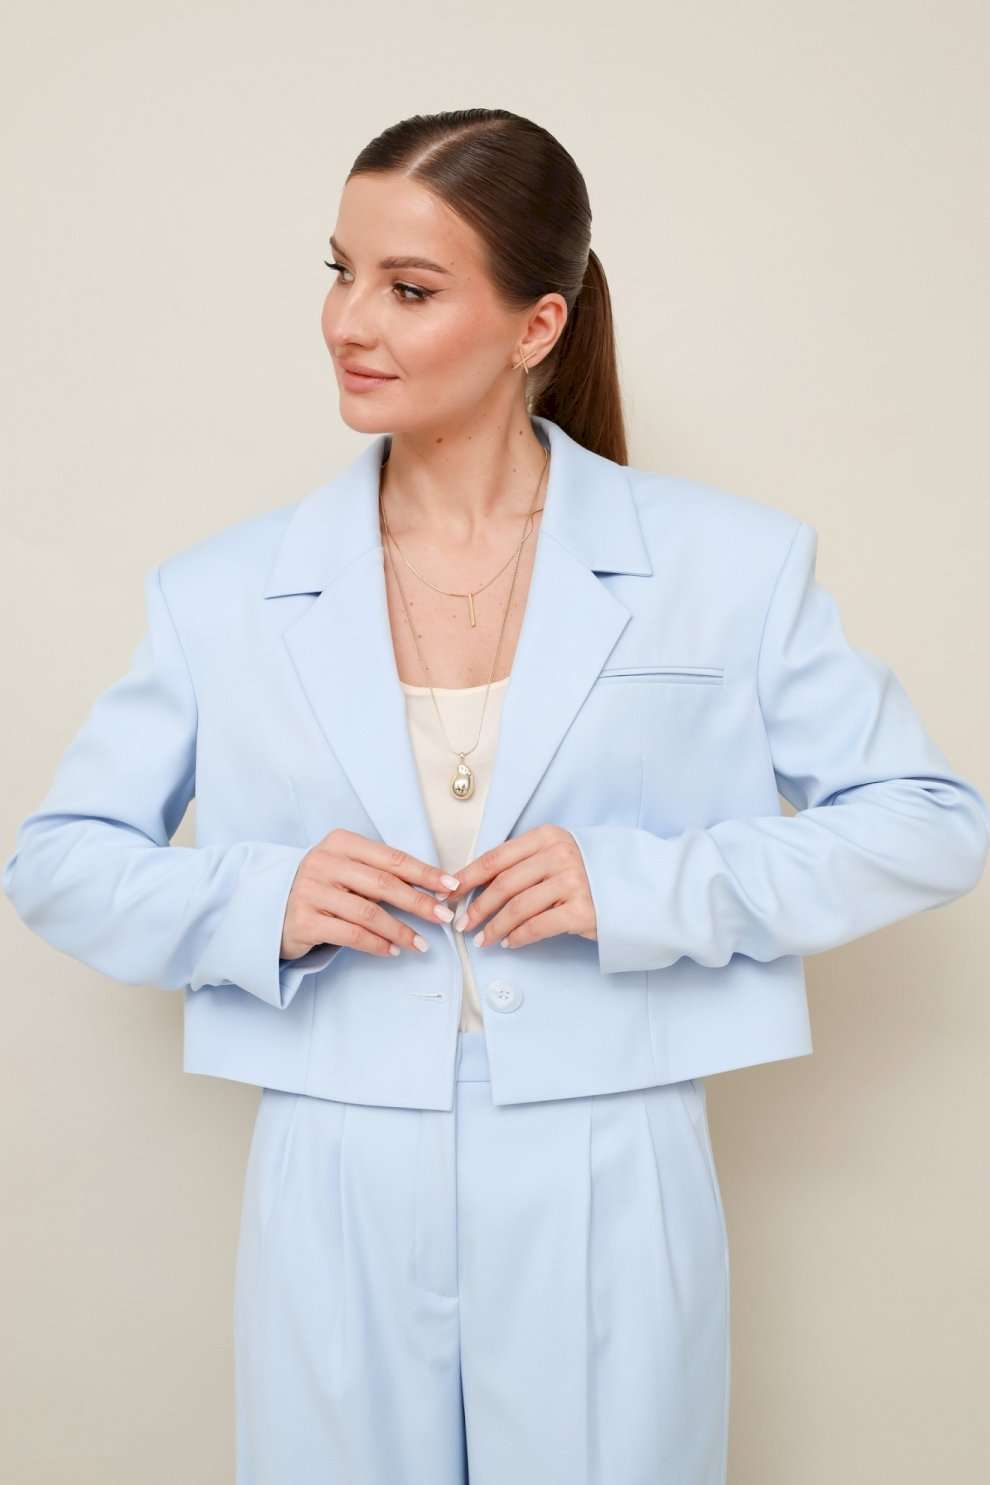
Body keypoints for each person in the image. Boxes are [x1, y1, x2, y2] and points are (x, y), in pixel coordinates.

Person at [4, 108, 988, 1485]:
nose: (349, 321)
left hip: (610, 1142)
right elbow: (58, 859)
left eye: (408, 289)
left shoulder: (726, 565)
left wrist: (640, 883)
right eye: (340, 271)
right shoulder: (222, 591)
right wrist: (261, 895)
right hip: (335, 1148)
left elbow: (929, 819)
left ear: (536, 325)